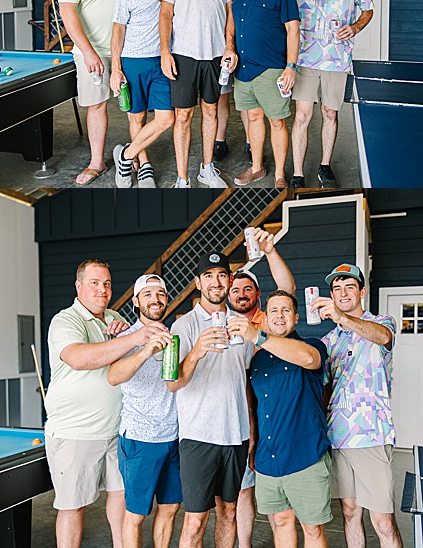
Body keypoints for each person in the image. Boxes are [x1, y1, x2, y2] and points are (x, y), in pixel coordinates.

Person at [45, 260, 165, 548]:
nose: (102, 289)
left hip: (117, 430)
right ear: (79, 286)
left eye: (107, 283)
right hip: (76, 433)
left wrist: (123, 332)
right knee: (73, 507)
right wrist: (134, 337)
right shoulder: (65, 320)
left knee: (121, 498)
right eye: (95, 283)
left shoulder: (113, 317)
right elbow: (79, 358)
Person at [273, 0, 374, 189]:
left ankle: (325, 166)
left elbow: (368, 10)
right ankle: (297, 173)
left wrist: (355, 27)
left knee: (330, 113)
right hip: (304, 57)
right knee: (303, 116)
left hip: (337, 59)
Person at [168, 252, 254, 548]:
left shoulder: (242, 324)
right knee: (194, 521)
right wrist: (197, 351)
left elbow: (244, 383)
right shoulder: (183, 326)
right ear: (198, 282)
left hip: (236, 435)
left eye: (221, 275)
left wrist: (251, 431)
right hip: (198, 436)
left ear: (230, 280)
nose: (215, 281)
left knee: (229, 512)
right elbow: (173, 383)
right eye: (208, 275)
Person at [314, 263, 403, 548]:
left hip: (372, 436)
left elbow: (384, 338)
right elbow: (325, 390)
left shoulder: (382, 322)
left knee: (383, 521)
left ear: (362, 292)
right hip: (338, 437)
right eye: (336, 289)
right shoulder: (328, 341)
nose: (343, 293)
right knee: (350, 513)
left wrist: (342, 318)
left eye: (349, 287)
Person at [234, 291, 331, 548]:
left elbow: (310, 360)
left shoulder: (312, 345)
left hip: (305, 456)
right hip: (269, 460)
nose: (279, 315)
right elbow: (255, 407)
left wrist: (257, 336)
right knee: (280, 522)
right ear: (265, 318)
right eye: (274, 310)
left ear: (296, 317)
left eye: (286, 310)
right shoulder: (258, 360)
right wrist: (254, 443)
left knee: (312, 529)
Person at [226, 227, 296, 548]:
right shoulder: (221, 323)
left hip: (269, 413)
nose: (241, 293)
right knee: (241, 489)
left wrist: (269, 251)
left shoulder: (268, 320)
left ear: (257, 294)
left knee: (271, 492)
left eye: (247, 289)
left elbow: (287, 288)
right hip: (234, 414)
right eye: (235, 289)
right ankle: (245, 544)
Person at [159, 0, 237, 188]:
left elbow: (230, 13)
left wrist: (229, 46)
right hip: (183, 54)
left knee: (211, 111)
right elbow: (165, 13)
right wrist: (165, 51)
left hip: (216, 54)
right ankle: (182, 178)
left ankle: (207, 168)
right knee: (183, 116)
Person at [57, 0, 135, 185]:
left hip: (126, 48)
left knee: (134, 106)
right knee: (97, 105)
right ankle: (96, 162)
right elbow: (68, 13)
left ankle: (137, 156)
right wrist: (88, 52)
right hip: (92, 51)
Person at [106, 275, 180, 548]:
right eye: (147, 294)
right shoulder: (125, 337)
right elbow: (114, 376)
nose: (155, 299)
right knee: (135, 514)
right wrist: (146, 349)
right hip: (140, 438)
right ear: (136, 301)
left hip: (173, 436)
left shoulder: (175, 335)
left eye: (160, 293)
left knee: (170, 508)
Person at [231, 0, 301, 188]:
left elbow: (293, 30)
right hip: (243, 70)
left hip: (272, 68)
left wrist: (291, 66)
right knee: (253, 117)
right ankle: (257, 168)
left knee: (277, 121)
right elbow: (232, 23)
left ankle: (280, 175)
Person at [110, 0, 174, 188]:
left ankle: (125, 156)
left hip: (162, 59)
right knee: (136, 118)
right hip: (132, 59)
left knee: (166, 119)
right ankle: (144, 164)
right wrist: (116, 69)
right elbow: (118, 29)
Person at [213, 0, 248, 164]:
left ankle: (250, 142)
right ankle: (219, 140)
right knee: (221, 95)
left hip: (247, 41)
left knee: (246, 97)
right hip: (221, 40)